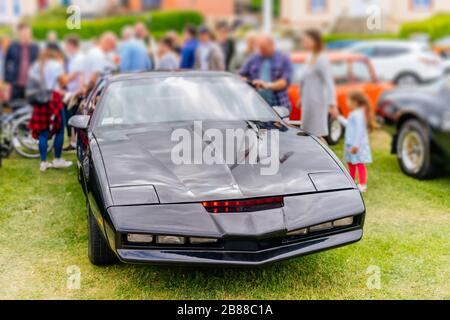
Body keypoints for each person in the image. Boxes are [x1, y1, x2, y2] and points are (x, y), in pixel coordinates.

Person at [27, 48, 72, 172]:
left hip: (40, 100)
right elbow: (63, 82)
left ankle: (43, 162)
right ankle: (57, 160)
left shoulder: (36, 65)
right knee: (60, 130)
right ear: (55, 54)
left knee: (43, 132)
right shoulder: (56, 65)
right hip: (53, 99)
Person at [299, 29, 339, 143]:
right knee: (308, 133)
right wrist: (301, 97)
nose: (304, 43)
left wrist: (332, 104)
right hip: (308, 102)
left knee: (317, 134)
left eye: (306, 40)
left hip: (317, 102)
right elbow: (304, 80)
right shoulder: (309, 56)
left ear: (314, 41)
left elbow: (329, 82)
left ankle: (327, 158)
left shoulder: (322, 58)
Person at [239, 34, 292, 110]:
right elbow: (241, 75)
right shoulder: (254, 58)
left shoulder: (283, 58)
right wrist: (249, 82)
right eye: (260, 48)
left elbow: (284, 82)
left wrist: (267, 85)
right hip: (257, 106)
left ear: (272, 45)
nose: (261, 51)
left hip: (279, 106)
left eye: (264, 48)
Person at [339, 92, 377, 193]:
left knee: (359, 164)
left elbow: (359, 130)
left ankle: (363, 185)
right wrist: (339, 117)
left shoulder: (358, 114)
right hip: (350, 144)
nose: (346, 103)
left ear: (355, 102)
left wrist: (356, 145)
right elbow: (349, 125)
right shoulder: (354, 113)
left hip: (356, 145)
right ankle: (351, 181)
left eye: (348, 101)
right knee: (351, 163)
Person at [4, 23, 39, 101]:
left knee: (30, 110)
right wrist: (7, 85)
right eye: (24, 33)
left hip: (31, 86)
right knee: (15, 108)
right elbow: (7, 66)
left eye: (28, 33)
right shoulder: (12, 46)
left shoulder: (35, 47)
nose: (26, 35)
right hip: (16, 84)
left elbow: (39, 65)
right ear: (19, 34)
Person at [63, 35, 85, 152]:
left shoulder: (79, 58)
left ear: (71, 45)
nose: (65, 47)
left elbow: (75, 75)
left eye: (66, 45)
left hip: (77, 93)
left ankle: (75, 143)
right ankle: (72, 142)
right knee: (71, 117)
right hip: (72, 92)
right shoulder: (73, 58)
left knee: (74, 118)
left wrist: (61, 81)